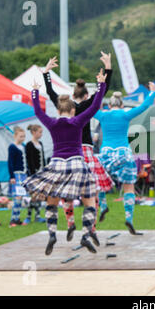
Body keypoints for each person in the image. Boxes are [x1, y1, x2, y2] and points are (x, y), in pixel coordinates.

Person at [24, 69, 107, 255]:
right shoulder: (77, 121)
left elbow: (37, 111)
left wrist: (35, 92)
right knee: (89, 200)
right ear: (72, 110)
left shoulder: (52, 123)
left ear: (58, 110)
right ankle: (86, 234)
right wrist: (101, 86)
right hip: (77, 163)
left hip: (57, 164)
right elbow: (94, 106)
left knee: (52, 201)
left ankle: (52, 233)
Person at [43, 54, 114, 238]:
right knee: (91, 192)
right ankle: (91, 229)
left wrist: (46, 73)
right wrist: (107, 71)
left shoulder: (63, 109)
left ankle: (70, 222)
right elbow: (100, 96)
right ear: (84, 95)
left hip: (65, 155)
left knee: (65, 190)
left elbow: (51, 93)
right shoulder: (83, 111)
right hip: (85, 152)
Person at [96, 82, 155, 235]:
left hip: (106, 152)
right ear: (122, 104)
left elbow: (89, 108)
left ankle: (103, 207)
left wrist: (97, 90)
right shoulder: (125, 114)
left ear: (109, 105)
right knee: (128, 187)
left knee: (100, 184)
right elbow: (144, 107)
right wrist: (152, 93)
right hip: (124, 152)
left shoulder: (103, 114)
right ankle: (129, 218)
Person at [24, 124, 47, 224]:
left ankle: (37, 215)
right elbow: (30, 160)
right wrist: (34, 174)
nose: (41, 134)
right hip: (34, 173)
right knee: (34, 195)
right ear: (33, 132)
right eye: (39, 132)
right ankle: (29, 215)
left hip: (41, 172)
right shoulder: (29, 144)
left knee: (39, 195)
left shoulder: (40, 143)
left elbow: (43, 158)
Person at [8, 126, 28, 227]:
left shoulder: (23, 147)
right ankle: (12, 220)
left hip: (23, 174)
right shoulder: (12, 147)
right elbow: (10, 162)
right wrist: (12, 176)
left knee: (21, 197)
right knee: (17, 197)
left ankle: (17, 218)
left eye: (24, 136)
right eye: (20, 136)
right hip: (16, 174)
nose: (22, 138)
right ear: (15, 136)